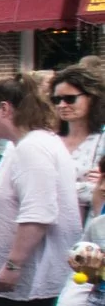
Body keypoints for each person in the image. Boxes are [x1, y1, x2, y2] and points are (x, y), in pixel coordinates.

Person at [0, 73, 81, 306]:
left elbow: (38, 212)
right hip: (28, 280)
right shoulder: (25, 145)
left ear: (4, 108)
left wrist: (13, 265)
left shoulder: (32, 147)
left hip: (33, 282)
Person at [54, 61, 105, 219]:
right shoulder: (49, 140)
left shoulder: (101, 140)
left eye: (70, 99)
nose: (62, 105)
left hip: (89, 227)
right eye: (56, 100)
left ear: (92, 98)